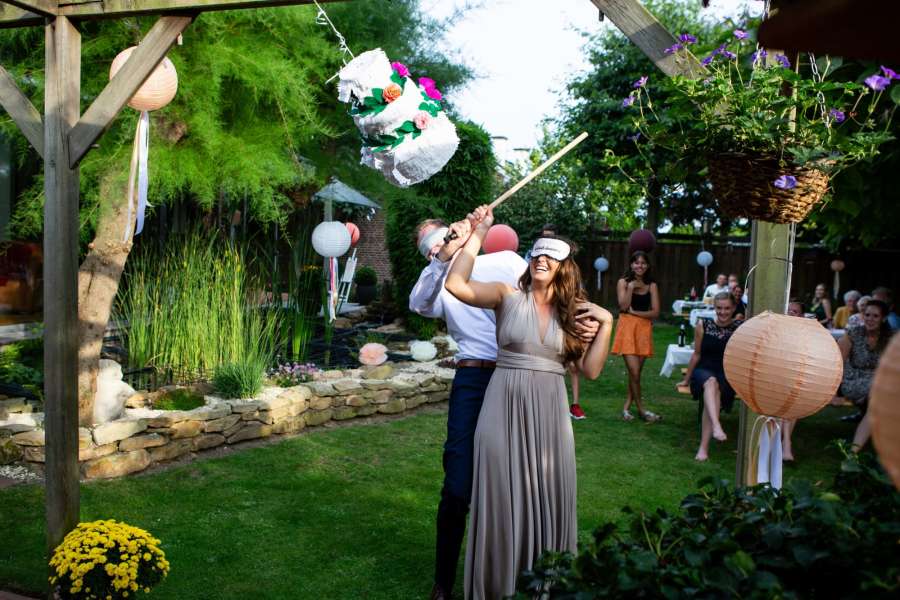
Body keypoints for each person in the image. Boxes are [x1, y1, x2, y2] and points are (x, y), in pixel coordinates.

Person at [409, 214, 599, 600]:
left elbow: (551, 294)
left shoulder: (507, 263)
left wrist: (589, 322)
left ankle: (528, 569)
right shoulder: (439, 278)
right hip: (474, 379)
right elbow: (420, 304)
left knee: (532, 478)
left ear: (454, 230)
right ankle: (443, 581)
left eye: (438, 239)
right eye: (427, 249)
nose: (434, 249)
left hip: (527, 378)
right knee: (458, 487)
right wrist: (443, 258)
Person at [677, 292, 741, 461]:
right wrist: (686, 379)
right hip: (704, 370)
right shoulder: (703, 324)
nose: (723, 312)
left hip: (726, 373)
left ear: (734, 308)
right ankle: (716, 427)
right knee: (711, 382)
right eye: (719, 308)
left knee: (714, 390)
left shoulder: (740, 328)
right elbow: (697, 354)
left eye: (727, 308)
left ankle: (704, 448)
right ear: (714, 307)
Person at [612, 251, 662, 422]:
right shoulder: (623, 282)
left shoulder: (652, 285)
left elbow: (655, 312)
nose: (640, 266)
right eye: (636, 263)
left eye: (643, 263)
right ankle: (642, 410)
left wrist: (636, 313)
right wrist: (631, 287)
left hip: (643, 331)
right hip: (627, 329)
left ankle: (626, 407)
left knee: (636, 373)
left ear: (647, 266)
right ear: (631, 264)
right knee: (634, 371)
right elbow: (623, 306)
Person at [837, 299, 893, 426]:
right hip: (853, 379)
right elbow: (839, 362)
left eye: (875, 316)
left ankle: (866, 417)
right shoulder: (853, 333)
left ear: (883, 318)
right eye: (867, 315)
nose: (870, 319)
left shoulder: (891, 337)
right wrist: (835, 393)